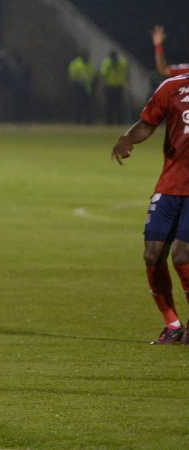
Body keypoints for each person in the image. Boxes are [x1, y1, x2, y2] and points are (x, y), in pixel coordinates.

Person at [110, 69, 189, 345]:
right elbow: (147, 123)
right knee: (152, 255)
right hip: (169, 186)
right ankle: (172, 324)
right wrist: (127, 138)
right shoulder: (172, 87)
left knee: (182, 255)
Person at [101, 51, 129, 125]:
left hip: (119, 86)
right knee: (109, 105)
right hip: (109, 86)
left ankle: (120, 122)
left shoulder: (122, 63)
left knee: (119, 105)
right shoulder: (107, 63)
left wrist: (125, 81)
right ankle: (110, 122)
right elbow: (103, 74)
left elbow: (126, 71)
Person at [69, 54, 95, 124]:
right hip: (79, 86)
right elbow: (72, 75)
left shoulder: (90, 64)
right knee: (79, 104)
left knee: (88, 105)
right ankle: (78, 120)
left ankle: (88, 121)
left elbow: (93, 74)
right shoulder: (76, 64)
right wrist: (78, 81)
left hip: (88, 87)